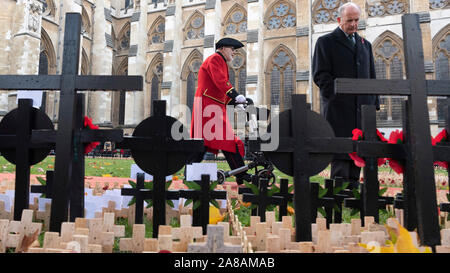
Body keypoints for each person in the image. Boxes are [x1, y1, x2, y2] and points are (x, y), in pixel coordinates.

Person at [312, 2, 379, 189]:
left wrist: (374, 105)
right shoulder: (325, 42)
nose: (354, 24)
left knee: (358, 156)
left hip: (362, 112)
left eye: (357, 20)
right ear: (339, 20)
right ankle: (338, 198)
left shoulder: (366, 45)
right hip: (339, 110)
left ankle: (353, 195)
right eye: (350, 20)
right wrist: (335, 98)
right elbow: (321, 76)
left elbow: (372, 76)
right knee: (341, 158)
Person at [190, 37, 252, 185]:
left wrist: (233, 102)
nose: (234, 53)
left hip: (211, 106)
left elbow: (217, 89)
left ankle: (190, 173)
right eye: (232, 49)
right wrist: (235, 96)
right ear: (223, 48)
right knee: (227, 141)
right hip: (208, 107)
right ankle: (241, 175)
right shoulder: (216, 59)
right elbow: (220, 81)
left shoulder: (220, 61)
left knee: (203, 143)